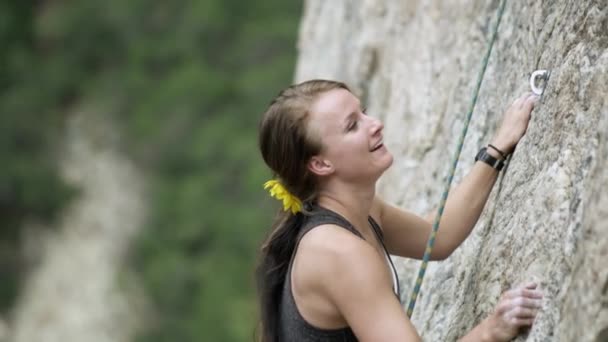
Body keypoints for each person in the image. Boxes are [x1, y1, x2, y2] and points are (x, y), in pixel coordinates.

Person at [256, 79, 543, 341]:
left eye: (364, 111)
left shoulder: (361, 211)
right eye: (352, 125)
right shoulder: (337, 251)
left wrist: (497, 149)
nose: (375, 123)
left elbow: (436, 237)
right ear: (320, 164)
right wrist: (491, 331)